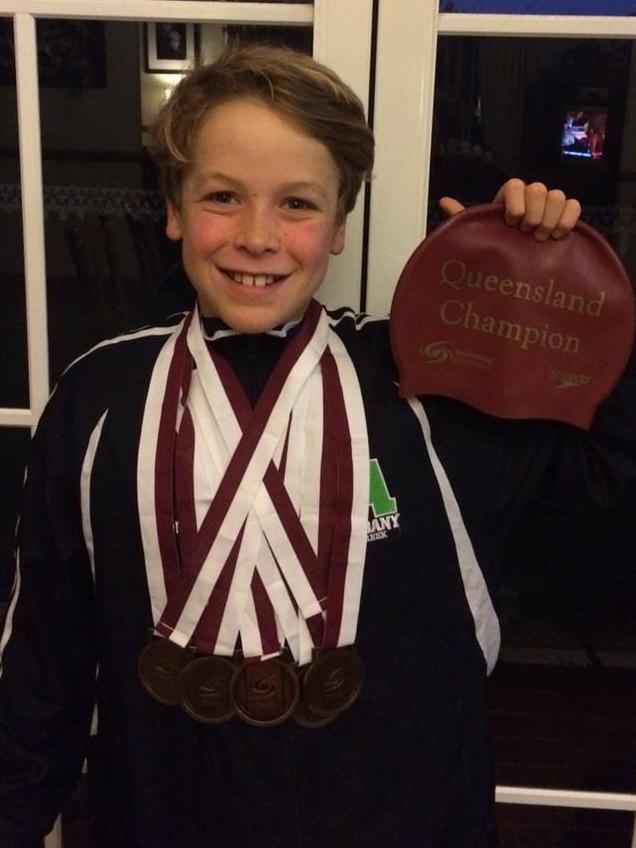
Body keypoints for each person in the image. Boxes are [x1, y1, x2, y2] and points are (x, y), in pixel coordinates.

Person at [0, 45, 632, 848]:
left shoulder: (427, 387)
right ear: (173, 209)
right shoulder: (99, 397)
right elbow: (42, 667)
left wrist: (562, 292)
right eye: (222, 196)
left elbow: (609, 472)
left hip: (407, 822)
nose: (258, 237)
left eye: (297, 203)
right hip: (161, 820)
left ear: (339, 225)